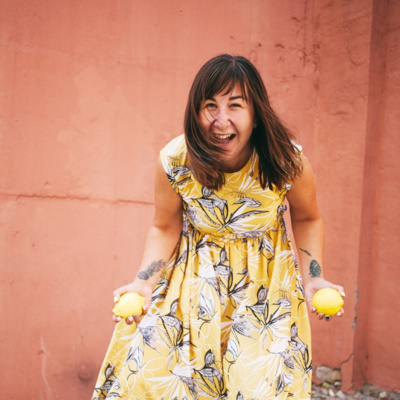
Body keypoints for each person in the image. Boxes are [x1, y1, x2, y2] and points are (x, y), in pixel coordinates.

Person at [91, 54, 345, 400]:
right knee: (162, 381)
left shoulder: (286, 160)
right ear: (195, 112)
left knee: (258, 389)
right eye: (210, 105)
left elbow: (307, 217)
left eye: (235, 105)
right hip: (192, 287)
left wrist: (314, 276)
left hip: (265, 293)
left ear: (256, 114)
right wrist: (144, 282)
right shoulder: (176, 160)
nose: (220, 120)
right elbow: (164, 226)